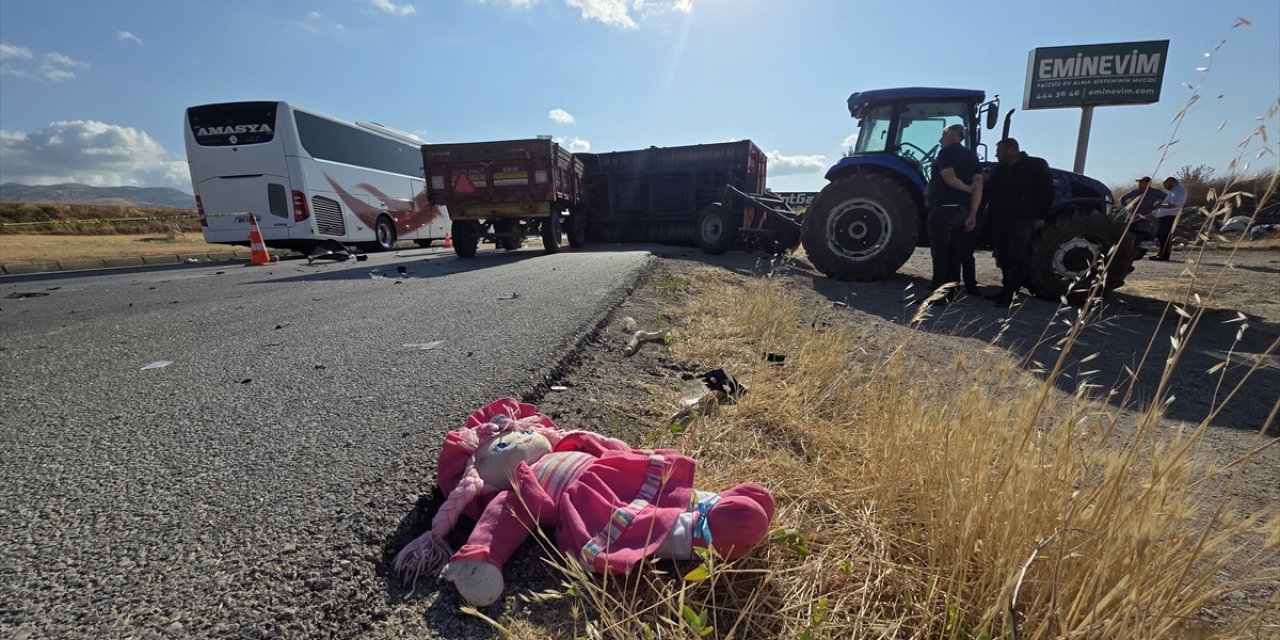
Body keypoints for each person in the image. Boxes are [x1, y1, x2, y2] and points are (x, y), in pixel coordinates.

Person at [981, 138, 1054, 306]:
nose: (996, 155)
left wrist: (1041, 216)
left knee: (1016, 256)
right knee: (1004, 257)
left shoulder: (1036, 166)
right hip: (1000, 219)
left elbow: (1046, 192)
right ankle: (1005, 290)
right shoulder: (1000, 170)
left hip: (1021, 219)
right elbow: (989, 192)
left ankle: (1012, 295)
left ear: (1011, 150)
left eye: (999, 151)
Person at [925, 123, 982, 300]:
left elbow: (949, 178)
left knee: (940, 252)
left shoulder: (946, 153)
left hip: (944, 209)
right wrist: (972, 214)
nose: (940, 140)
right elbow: (978, 185)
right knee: (954, 252)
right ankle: (952, 291)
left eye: (942, 135)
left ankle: (938, 295)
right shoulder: (972, 156)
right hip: (961, 212)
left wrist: (965, 188)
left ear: (951, 134)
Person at [1150, 176, 1187, 261]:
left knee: (1165, 236)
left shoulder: (1178, 190)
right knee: (1161, 235)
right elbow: (1169, 203)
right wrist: (1162, 203)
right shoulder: (1174, 191)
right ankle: (1161, 253)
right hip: (1165, 216)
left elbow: (1174, 205)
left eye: (1165, 184)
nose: (1164, 187)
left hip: (1169, 216)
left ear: (1171, 182)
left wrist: (1160, 205)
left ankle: (1164, 255)